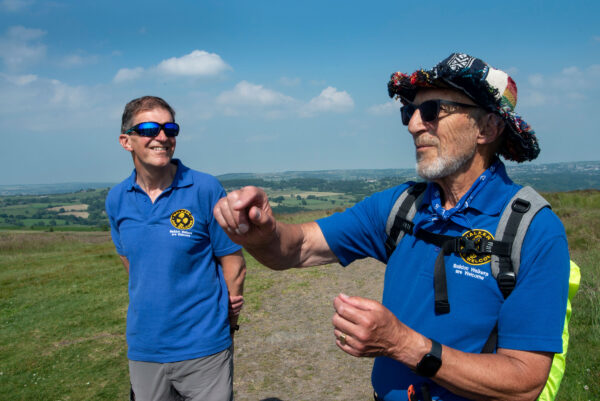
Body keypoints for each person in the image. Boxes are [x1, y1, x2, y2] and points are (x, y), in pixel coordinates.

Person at [213, 53, 570, 401]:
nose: (415, 125)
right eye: (409, 112)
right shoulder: (402, 206)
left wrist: (402, 344)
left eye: (432, 111)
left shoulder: (532, 229)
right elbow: (298, 247)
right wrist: (262, 233)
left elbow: (523, 383)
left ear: (488, 127)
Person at [105, 96, 246, 401]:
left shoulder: (205, 189)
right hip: (144, 348)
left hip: (203, 346)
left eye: (170, 128)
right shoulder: (117, 199)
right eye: (149, 129)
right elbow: (131, 263)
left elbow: (233, 261)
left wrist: (229, 320)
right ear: (126, 141)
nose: (162, 137)